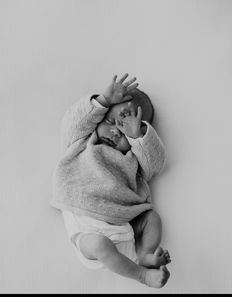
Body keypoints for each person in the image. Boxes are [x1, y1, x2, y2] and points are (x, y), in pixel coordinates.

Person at [51, 74, 171, 288]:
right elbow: (71, 122)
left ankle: (145, 254)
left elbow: (156, 163)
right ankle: (142, 275)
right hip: (87, 229)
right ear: (99, 117)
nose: (115, 131)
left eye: (125, 130)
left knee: (152, 218)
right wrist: (103, 100)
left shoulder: (134, 158)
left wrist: (139, 137)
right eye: (109, 121)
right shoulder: (82, 142)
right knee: (100, 245)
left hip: (125, 226)